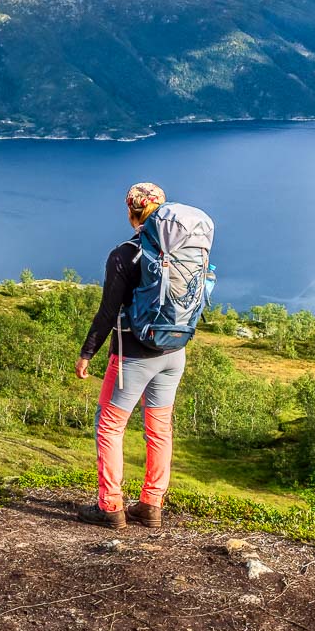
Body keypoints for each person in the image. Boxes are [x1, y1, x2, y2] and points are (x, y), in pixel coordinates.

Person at [75, 181, 188, 530]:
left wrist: (87, 352)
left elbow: (108, 312)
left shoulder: (124, 254)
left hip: (134, 356)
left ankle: (110, 507)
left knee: (109, 426)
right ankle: (151, 505)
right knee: (159, 430)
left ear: (131, 211)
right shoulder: (184, 250)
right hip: (175, 352)